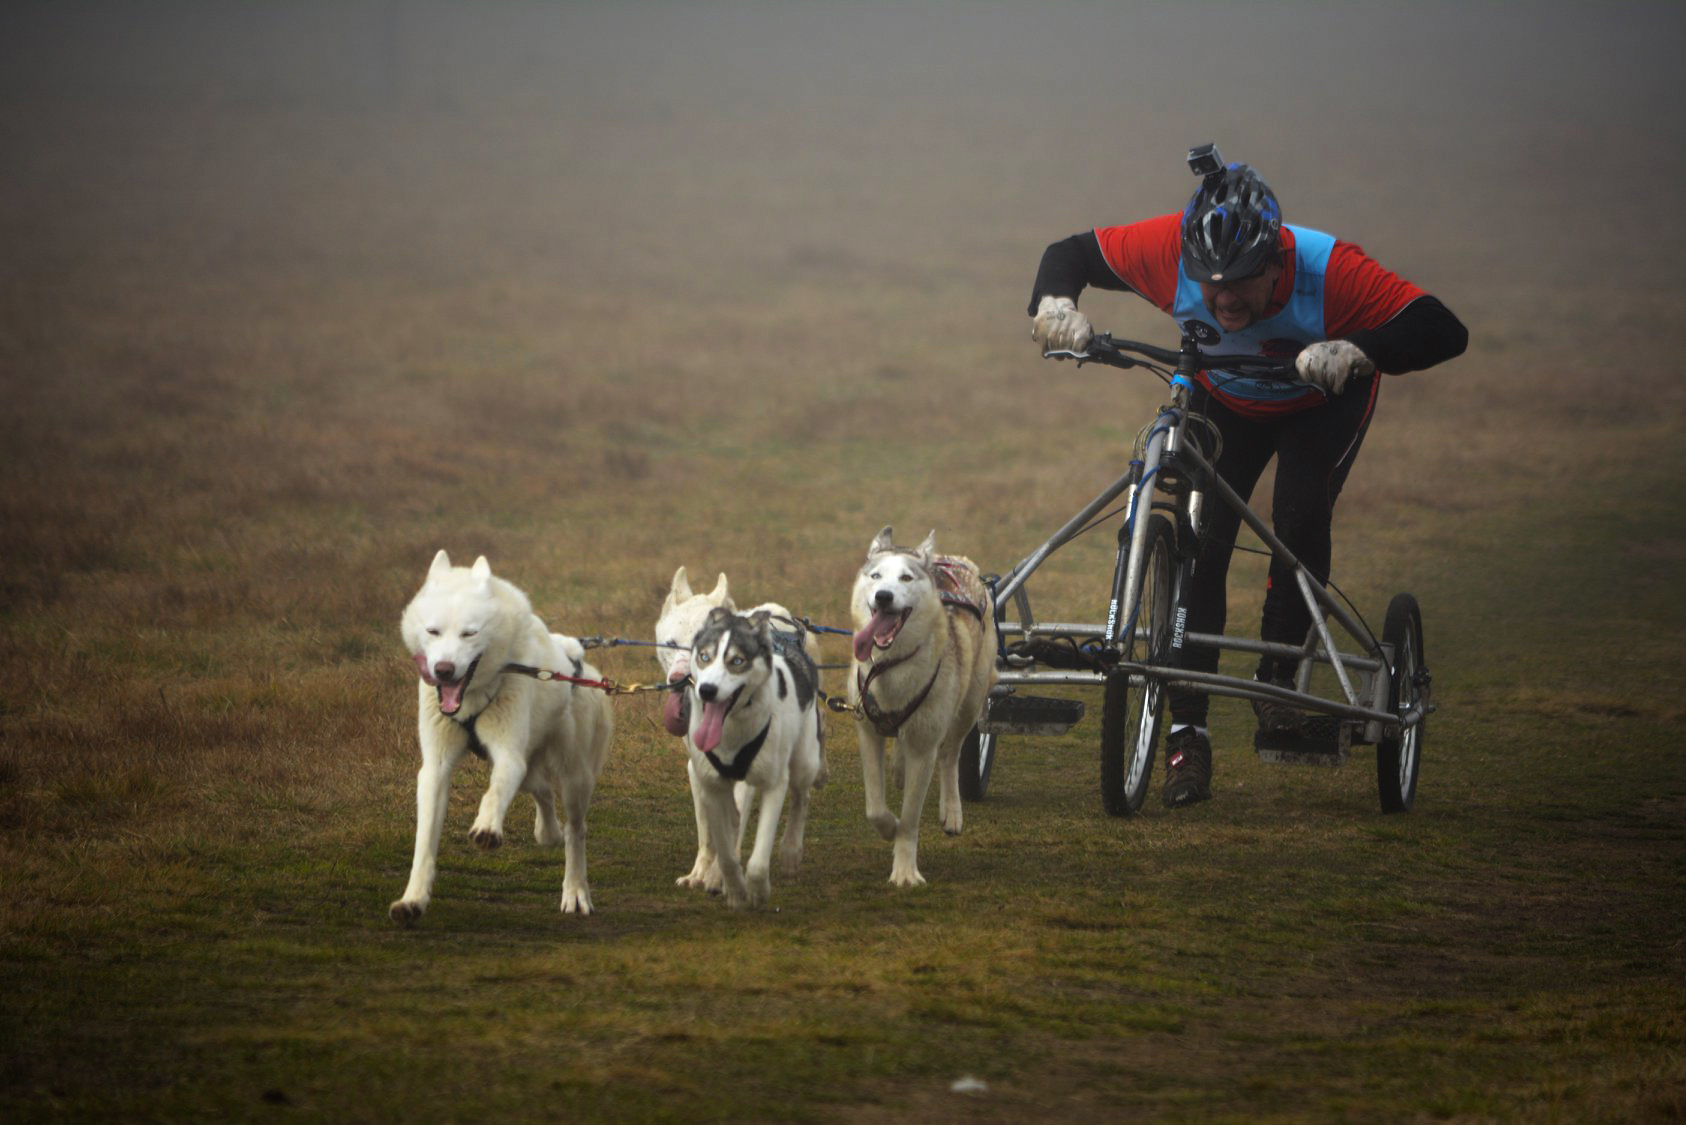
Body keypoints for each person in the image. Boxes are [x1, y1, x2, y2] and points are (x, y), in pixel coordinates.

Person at [1027, 145, 1467, 809]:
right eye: (1211, 282)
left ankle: (1277, 676)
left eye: (1240, 281)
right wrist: (1054, 303)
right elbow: (1071, 253)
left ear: (1276, 262)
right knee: (1199, 537)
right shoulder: (1166, 250)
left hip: (1321, 401)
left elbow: (1442, 328)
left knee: (1297, 513)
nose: (1224, 298)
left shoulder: (1329, 268)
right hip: (1224, 397)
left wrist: (1358, 350)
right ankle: (1187, 732)